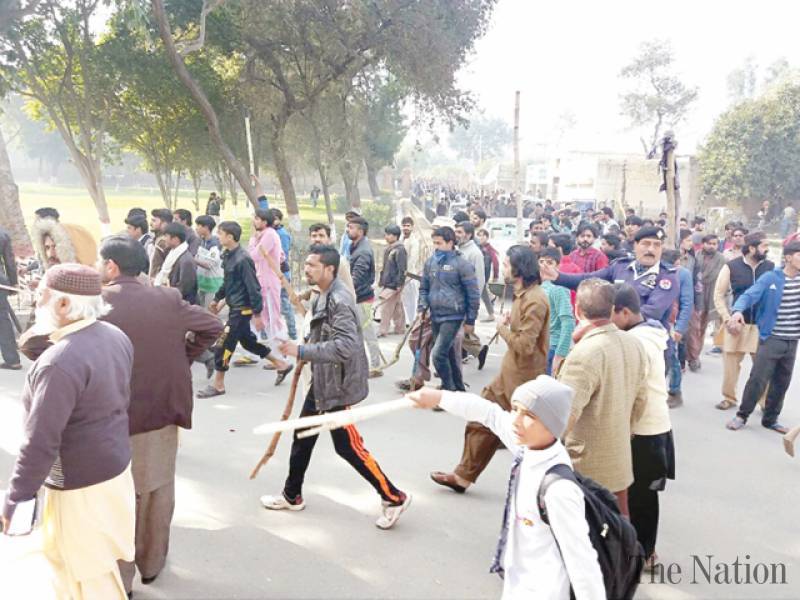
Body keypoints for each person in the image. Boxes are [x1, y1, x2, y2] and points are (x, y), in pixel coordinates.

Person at [2, 264, 135, 599]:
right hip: (114, 472)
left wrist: (16, 499)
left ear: (63, 305)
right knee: (95, 568)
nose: (36, 302)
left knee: (86, 578)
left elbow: (40, 444)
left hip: (80, 487)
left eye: (42, 295)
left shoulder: (60, 361)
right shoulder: (114, 335)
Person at [98, 236, 222, 594]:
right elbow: (211, 327)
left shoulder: (96, 303)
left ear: (111, 266)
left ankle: (120, 579)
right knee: (157, 490)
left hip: (111, 415)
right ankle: (151, 564)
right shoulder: (166, 299)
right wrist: (184, 355)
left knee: (117, 499)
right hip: (162, 411)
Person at [410, 378, 604, 599]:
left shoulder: (558, 490)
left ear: (553, 424)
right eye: (515, 410)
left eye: (529, 416)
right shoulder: (529, 446)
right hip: (518, 583)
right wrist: (439, 397)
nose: (516, 421)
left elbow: (582, 562)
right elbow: (488, 412)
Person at [261, 245, 412, 529]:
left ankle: (394, 497)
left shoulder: (340, 300)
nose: (306, 269)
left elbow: (345, 346)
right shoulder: (324, 293)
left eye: (312, 265)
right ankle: (292, 495)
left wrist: (302, 351)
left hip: (336, 386)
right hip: (324, 381)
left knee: (348, 447)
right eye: (305, 264)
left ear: (330, 269)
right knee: (303, 435)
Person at [430, 246, 549, 493]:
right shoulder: (522, 295)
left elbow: (525, 346)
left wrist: (502, 328)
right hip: (508, 376)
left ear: (519, 270)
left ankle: (540, 490)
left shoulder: (535, 299)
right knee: (480, 421)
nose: (502, 268)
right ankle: (463, 475)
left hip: (522, 381)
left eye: (506, 265)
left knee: (524, 438)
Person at [557, 279, 647, 515]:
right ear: (611, 309)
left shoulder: (585, 353)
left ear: (577, 310)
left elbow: (564, 416)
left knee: (587, 535)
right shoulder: (634, 344)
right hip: (619, 458)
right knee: (618, 527)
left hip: (585, 466)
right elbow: (640, 401)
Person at [611, 284, 674, 569]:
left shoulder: (638, 343)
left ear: (624, 312)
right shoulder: (649, 333)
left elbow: (636, 392)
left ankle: (645, 553)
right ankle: (641, 549)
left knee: (642, 497)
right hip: (654, 427)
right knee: (639, 495)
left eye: (610, 315)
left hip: (645, 430)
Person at [197, 221, 293, 398]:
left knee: (223, 345)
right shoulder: (228, 255)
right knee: (248, 342)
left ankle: (218, 385)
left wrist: (256, 313)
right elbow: (227, 282)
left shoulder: (243, 259)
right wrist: (218, 299)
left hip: (242, 310)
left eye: (221, 233)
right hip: (234, 307)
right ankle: (282, 364)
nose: (218, 236)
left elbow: (254, 288)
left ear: (230, 237)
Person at [541, 227, 680, 332]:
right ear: (635, 245)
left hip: (647, 342)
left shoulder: (667, 277)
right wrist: (558, 277)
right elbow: (590, 281)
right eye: (646, 244)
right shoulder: (620, 267)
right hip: (616, 338)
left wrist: (609, 318)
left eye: (657, 245)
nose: (651, 249)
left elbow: (653, 311)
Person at [726, 241, 800, 434]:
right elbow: (749, 295)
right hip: (771, 338)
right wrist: (737, 311)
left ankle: (770, 419)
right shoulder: (771, 278)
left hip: (792, 340)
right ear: (788, 258)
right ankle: (742, 415)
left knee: (782, 382)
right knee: (758, 379)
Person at [713, 232, 774, 410]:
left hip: (761, 327)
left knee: (762, 369)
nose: (767, 249)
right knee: (731, 366)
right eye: (764, 245)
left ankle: (764, 402)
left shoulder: (770, 267)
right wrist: (727, 318)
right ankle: (729, 398)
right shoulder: (731, 266)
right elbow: (719, 295)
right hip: (736, 325)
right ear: (752, 248)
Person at [417, 226, 480, 393]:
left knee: (437, 355)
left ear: (450, 243)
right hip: (435, 315)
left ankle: (448, 389)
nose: (435, 247)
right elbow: (424, 288)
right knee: (448, 353)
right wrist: (422, 306)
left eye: (439, 243)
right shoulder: (431, 262)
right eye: (434, 243)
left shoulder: (462, 264)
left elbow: (473, 294)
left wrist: (471, 320)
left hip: (453, 316)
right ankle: (458, 388)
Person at [347, 216, 383, 376]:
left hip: (362, 299)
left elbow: (356, 278)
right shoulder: (355, 246)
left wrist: (345, 291)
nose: (348, 230)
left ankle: (376, 366)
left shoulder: (363, 252)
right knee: (358, 333)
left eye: (351, 227)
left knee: (368, 333)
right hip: (358, 297)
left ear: (360, 231)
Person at [686, 234, 726, 371]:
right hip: (696, 294)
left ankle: (694, 355)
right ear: (703, 244)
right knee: (693, 327)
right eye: (709, 243)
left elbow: (721, 279)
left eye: (715, 244)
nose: (712, 246)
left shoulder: (722, 259)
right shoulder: (696, 257)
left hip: (711, 295)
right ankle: (692, 355)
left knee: (701, 327)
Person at [248, 208, 286, 346]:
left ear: (265, 222)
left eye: (257, 219)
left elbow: (254, 256)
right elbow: (281, 256)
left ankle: (282, 354)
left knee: (272, 317)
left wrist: (253, 240)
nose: (254, 221)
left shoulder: (269, 235)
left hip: (268, 282)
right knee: (258, 317)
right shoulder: (264, 235)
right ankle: (253, 352)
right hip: (262, 280)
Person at [539, 248, 575, 375]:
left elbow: (568, 322)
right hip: (540, 346)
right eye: (541, 262)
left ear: (558, 266)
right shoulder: (539, 286)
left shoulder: (558, 288)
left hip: (552, 348)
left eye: (549, 263)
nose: (544, 266)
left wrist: (560, 354)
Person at [270, 208, 298, 341]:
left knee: (284, 303)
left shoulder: (282, 234)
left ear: (279, 219)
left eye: (275, 218)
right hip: (272, 272)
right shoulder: (271, 232)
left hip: (281, 273)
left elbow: (283, 255)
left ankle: (292, 333)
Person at [378, 224, 407, 336]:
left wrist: (399, 283)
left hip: (394, 283)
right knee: (397, 307)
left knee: (386, 307)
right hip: (388, 282)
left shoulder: (400, 250)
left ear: (395, 236)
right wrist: (381, 280)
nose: (386, 236)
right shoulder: (390, 249)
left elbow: (402, 268)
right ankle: (400, 328)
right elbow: (385, 266)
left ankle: (383, 330)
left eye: (389, 234)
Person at [159, 223, 198, 305]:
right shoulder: (172, 253)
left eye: (166, 236)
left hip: (182, 306)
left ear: (175, 239)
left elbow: (184, 289)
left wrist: (165, 290)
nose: (164, 239)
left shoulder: (186, 260)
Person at [0, 226, 21, 370]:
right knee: (2, 318)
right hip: (2, 281)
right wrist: (13, 282)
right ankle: (13, 359)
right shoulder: (3, 234)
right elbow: (9, 261)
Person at [194, 215, 223, 309]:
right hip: (202, 283)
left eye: (199, 225)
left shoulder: (215, 244)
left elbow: (209, 264)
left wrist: (192, 260)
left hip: (212, 284)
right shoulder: (201, 241)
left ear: (206, 227)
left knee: (210, 313)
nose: (196, 228)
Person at [401, 216, 425, 325]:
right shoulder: (402, 239)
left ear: (412, 227)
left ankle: (412, 322)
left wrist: (406, 274)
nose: (406, 228)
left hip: (410, 275)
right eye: (404, 226)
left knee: (412, 300)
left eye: (408, 226)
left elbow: (412, 260)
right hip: (402, 274)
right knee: (404, 300)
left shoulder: (414, 242)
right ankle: (406, 321)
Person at [476, 227, 499, 321]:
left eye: (483, 236)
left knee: (479, 294)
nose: (480, 238)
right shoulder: (479, 247)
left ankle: (475, 314)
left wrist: (495, 276)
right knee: (484, 294)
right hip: (479, 276)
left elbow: (496, 263)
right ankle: (491, 314)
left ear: (487, 237)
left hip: (483, 276)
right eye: (479, 236)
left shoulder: (489, 249)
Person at [149, 209, 173, 280]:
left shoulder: (163, 242)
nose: (150, 223)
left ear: (164, 223)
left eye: (154, 221)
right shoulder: (157, 239)